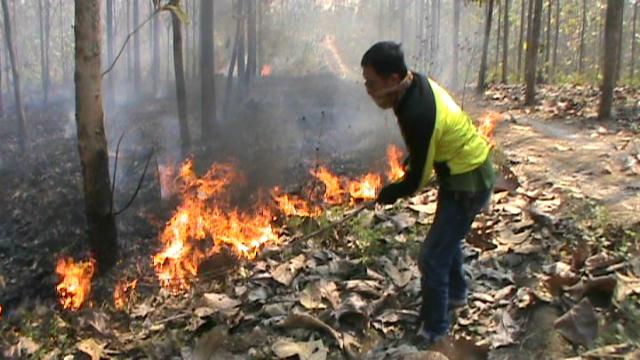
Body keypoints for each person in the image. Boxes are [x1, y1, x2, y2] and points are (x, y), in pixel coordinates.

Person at [362, 42, 495, 346]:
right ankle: (457, 295)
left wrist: (392, 192)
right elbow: (428, 143)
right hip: (461, 173)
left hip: (468, 182)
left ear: (393, 79)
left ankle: (434, 329)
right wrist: (415, 157)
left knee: (431, 258)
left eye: (372, 83)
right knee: (447, 240)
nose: (368, 90)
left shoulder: (417, 111)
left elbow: (418, 180)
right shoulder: (412, 86)